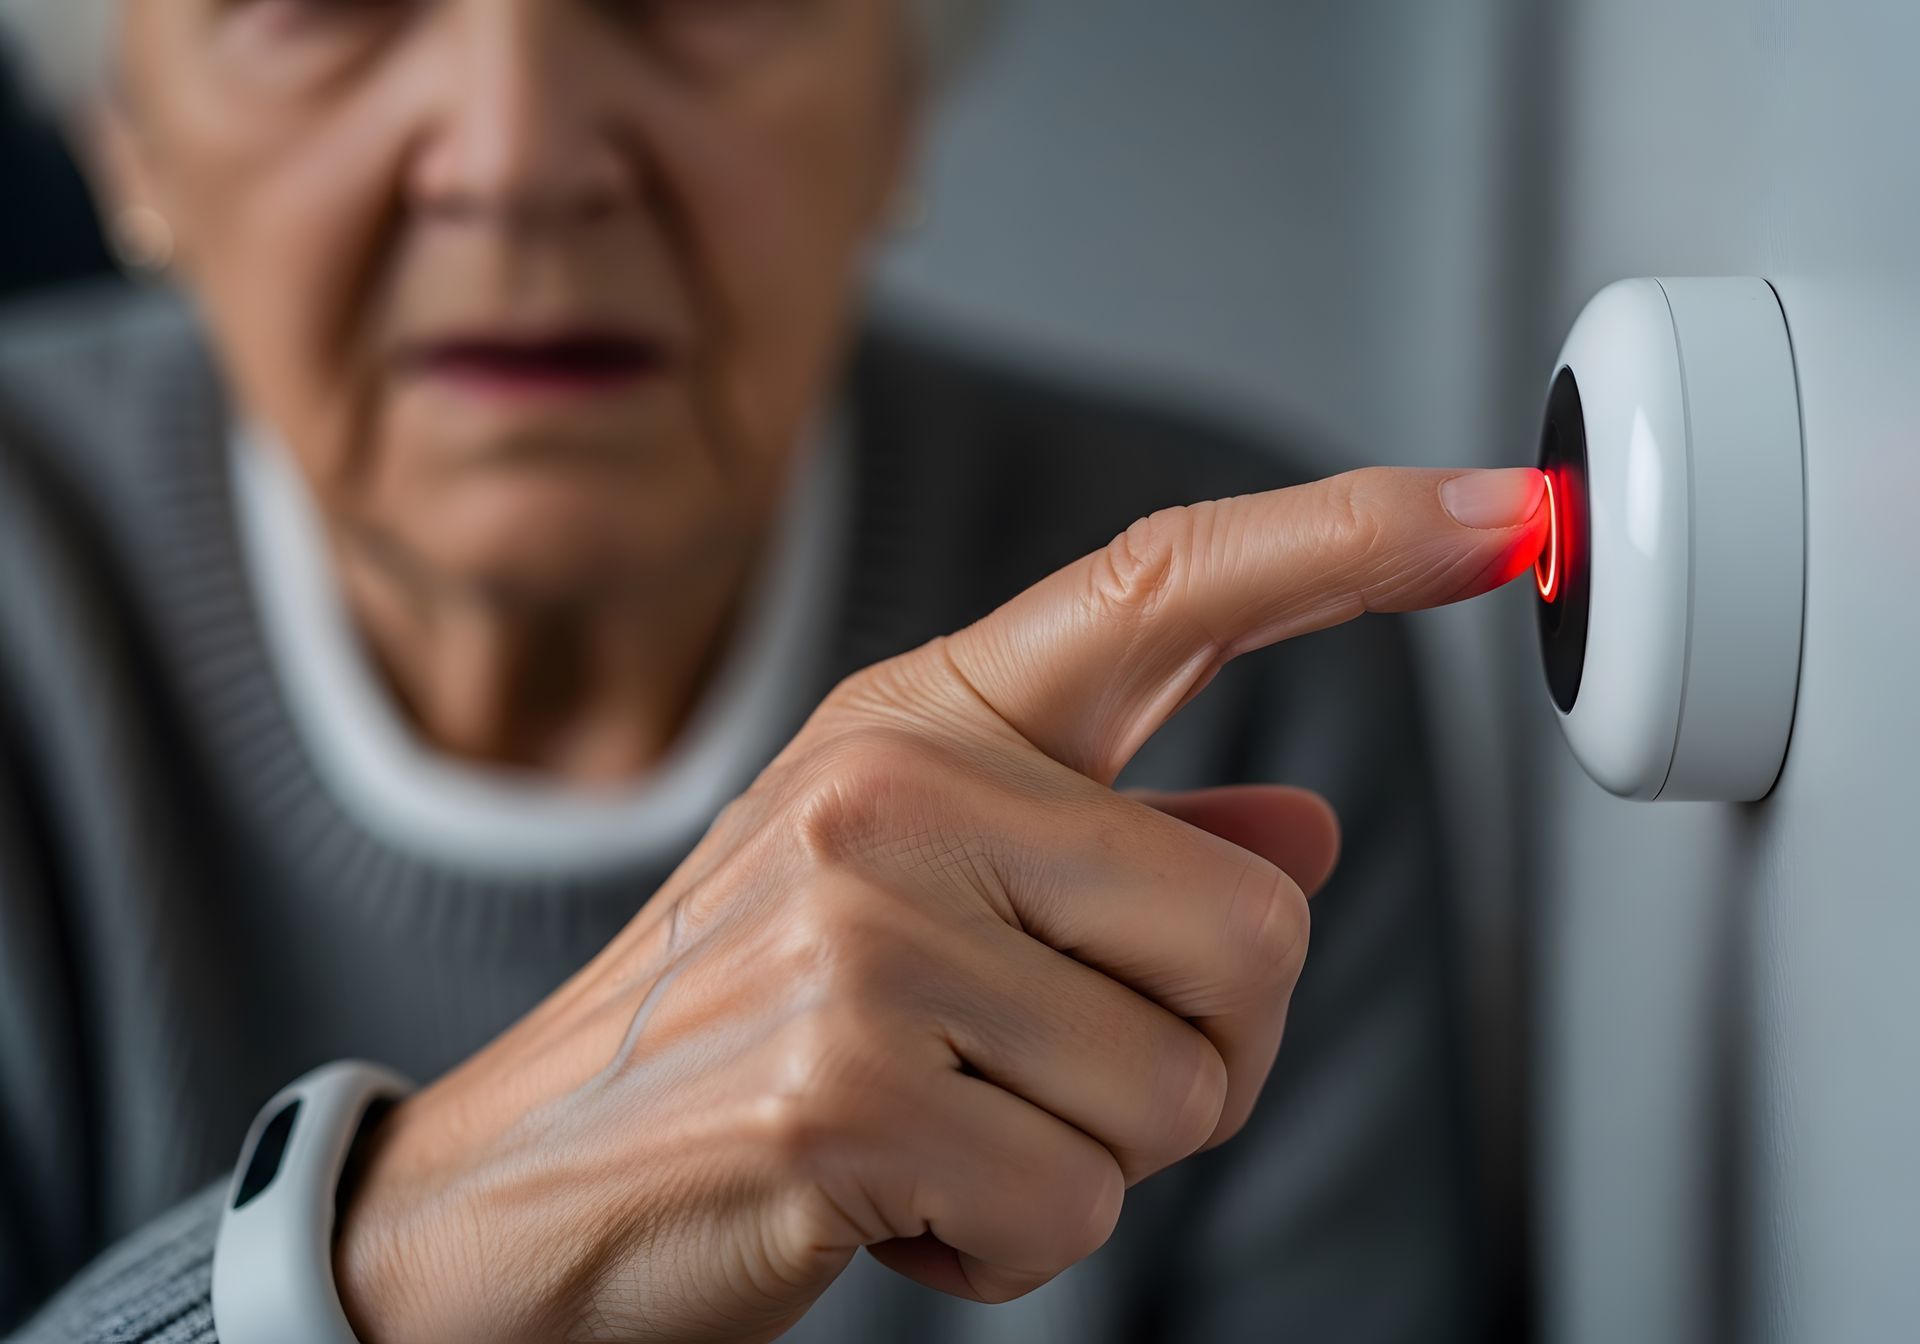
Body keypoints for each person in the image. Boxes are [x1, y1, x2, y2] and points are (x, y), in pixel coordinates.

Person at [0, 2, 1549, 1340]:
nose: (520, 161)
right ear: (120, 129)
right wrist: (391, 1262)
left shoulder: (1238, 672)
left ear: (902, 100)